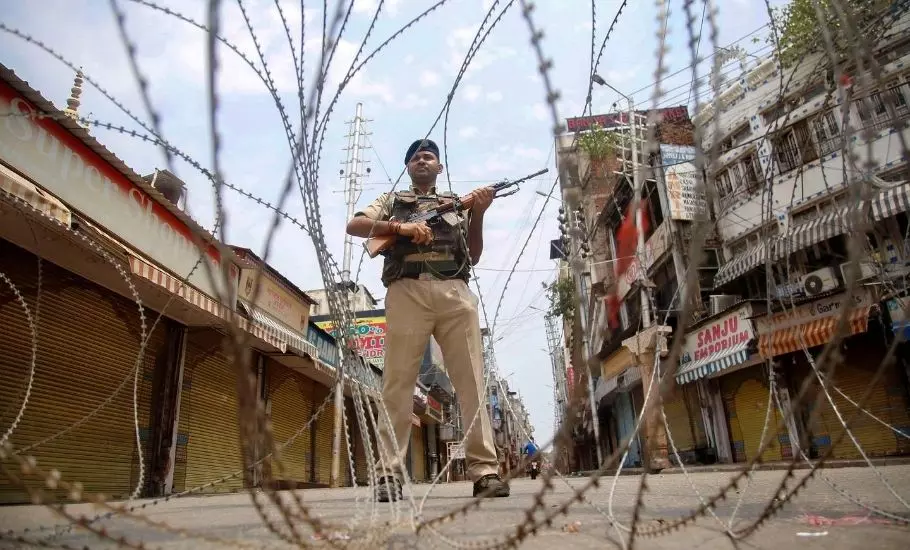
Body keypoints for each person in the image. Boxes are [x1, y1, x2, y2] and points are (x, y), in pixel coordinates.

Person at [345, 138, 510, 502]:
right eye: (416, 156)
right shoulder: (392, 201)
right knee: (398, 383)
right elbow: (356, 225)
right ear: (408, 167)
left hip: (455, 292)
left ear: (440, 167)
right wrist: (402, 229)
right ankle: (388, 473)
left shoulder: (456, 204)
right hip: (407, 291)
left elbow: (475, 255)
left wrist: (479, 212)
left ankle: (485, 472)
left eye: (430, 156)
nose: (423, 159)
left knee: (472, 383)